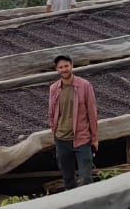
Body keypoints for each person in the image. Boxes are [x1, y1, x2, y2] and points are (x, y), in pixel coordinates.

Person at [47, 54, 98, 191]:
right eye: (61, 67)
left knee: (86, 177)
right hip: (62, 140)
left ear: (71, 66)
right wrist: (55, 131)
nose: (64, 69)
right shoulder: (54, 88)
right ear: (57, 70)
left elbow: (92, 113)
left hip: (81, 138)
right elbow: (51, 113)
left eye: (66, 66)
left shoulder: (84, 85)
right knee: (68, 178)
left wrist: (94, 138)